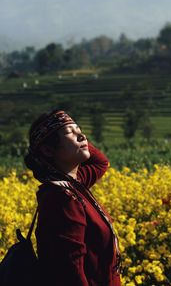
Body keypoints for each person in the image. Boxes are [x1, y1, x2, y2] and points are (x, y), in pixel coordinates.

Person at [24, 110, 121, 286]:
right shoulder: (62, 198)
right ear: (48, 150)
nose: (82, 136)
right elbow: (70, 270)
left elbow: (100, 162)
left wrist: (71, 130)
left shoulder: (76, 183)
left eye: (80, 129)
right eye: (70, 133)